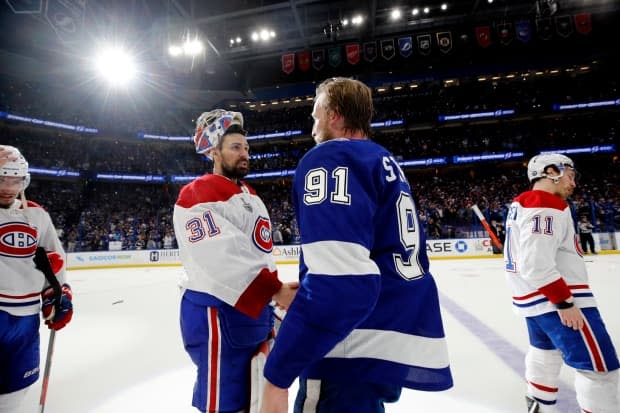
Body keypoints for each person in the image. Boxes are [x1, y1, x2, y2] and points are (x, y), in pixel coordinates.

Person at [261, 77, 453, 413]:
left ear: (334, 115)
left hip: (346, 343)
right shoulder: (384, 161)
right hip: (386, 337)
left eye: (316, 111)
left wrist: (278, 374)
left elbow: (341, 283)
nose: (312, 120)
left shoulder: (331, 158)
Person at [173, 110, 298, 413]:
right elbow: (221, 255)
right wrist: (274, 290)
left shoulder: (250, 193)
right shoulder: (197, 192)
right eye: (235, 147)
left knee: (252, 398)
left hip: (251, 312)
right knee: (225, 404)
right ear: (214, 152)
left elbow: (257, 251)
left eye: (246, 148)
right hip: (218, 313)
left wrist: (273, 292)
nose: (244, 154)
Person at [503, 153, 618, 412]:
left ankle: (540, 406)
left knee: (545, 355)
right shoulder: (545, 203)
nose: (573, 183)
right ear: (551, 171)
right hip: (557, 300)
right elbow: (536, 264)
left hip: (535, 302)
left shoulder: (522, 204)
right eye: (570, 175)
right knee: (599, 370)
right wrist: (565, 303)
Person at [0, 145, 73, 412]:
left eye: (15, 179)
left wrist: (58, 292)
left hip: (26, 319)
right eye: (1, 179)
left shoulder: (37, 215)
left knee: (14, 392)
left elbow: (54, 259)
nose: (9, 186)